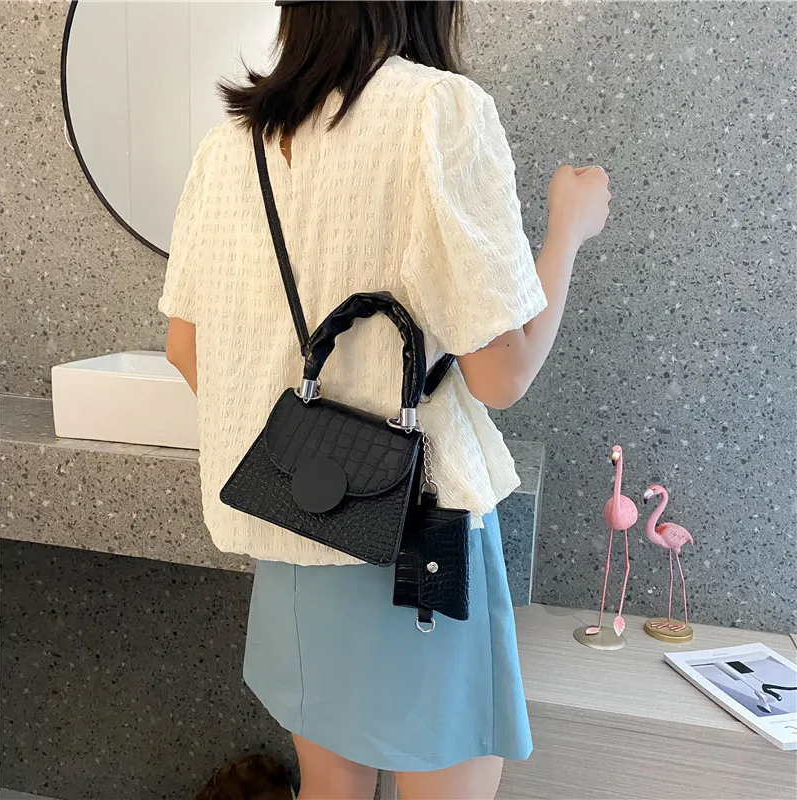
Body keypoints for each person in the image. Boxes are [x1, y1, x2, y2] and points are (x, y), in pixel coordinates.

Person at [160, 2, 610, 798]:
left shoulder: (232, 143)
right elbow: (501, 374)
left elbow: (187, 350)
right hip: (417, 544)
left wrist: (325, 450)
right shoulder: (438, 110)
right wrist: (567, 230)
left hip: (296, 529)